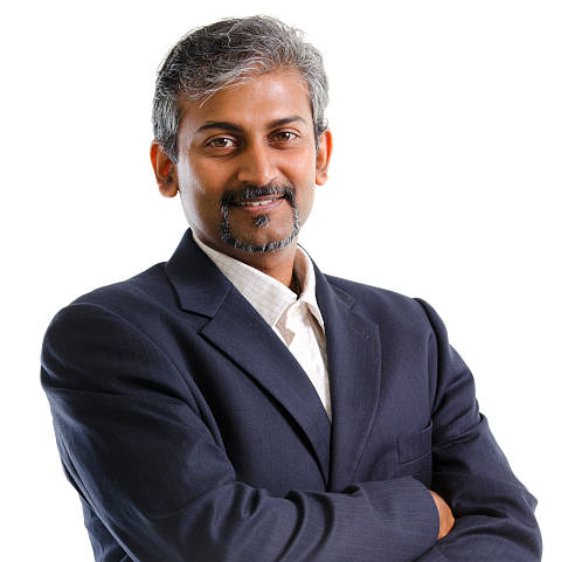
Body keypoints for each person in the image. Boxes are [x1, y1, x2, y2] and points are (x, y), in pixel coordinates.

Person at [41, 15, 541, 562]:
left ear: (320, 155)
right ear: (166, 169)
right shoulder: (108, 337)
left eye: (284, 136)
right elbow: (217, 545)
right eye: (222, 142)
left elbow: (507, 526)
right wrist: (418, 510)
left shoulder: (410, 330)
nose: (260, 172)